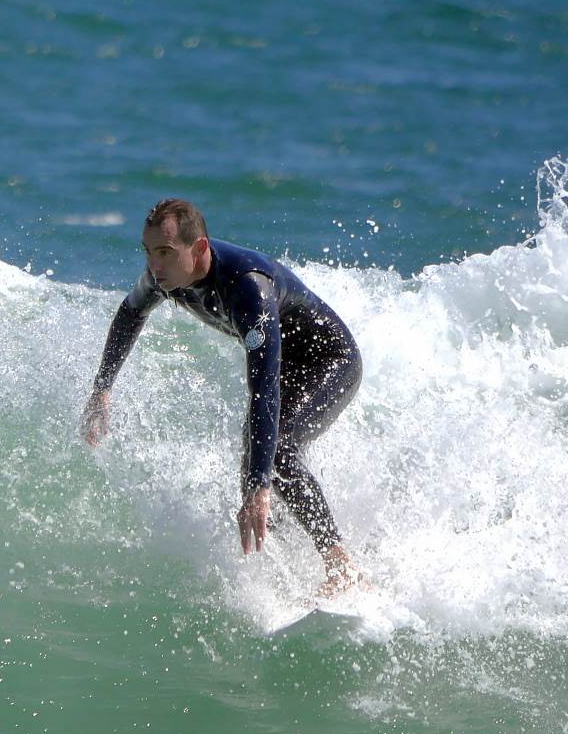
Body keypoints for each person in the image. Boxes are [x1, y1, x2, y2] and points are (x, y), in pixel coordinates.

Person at [82, 199, 364, 596]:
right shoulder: (164, 277)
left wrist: (258, 483)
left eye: (165, 253)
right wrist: (102, 389)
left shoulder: (248, 286)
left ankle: (342, 568)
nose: (154, 265)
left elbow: (264, 387)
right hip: (284, 362)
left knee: (274, 455)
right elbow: (131, 313)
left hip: (329, 361)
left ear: (198, 249)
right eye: (148, 252)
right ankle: (289, 567)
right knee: (258, 459)